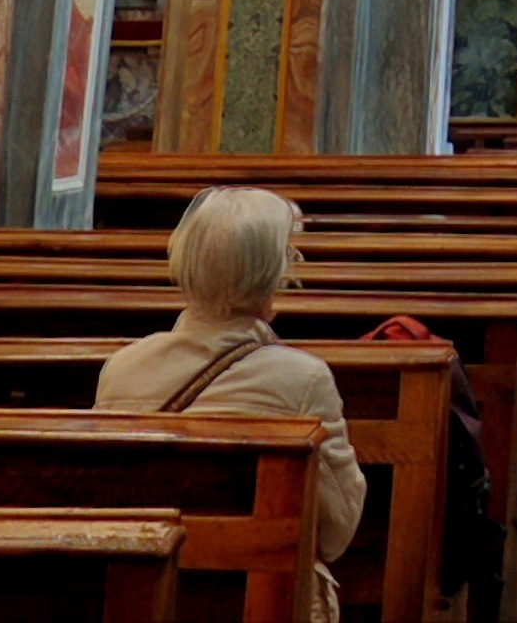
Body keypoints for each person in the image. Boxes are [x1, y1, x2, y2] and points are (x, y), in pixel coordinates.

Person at [96, 186, 369, 619]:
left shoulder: (121, 368)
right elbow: (336, 529)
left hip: (151, 594)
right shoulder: (304, 379)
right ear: (272, 273)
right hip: (256, 599)